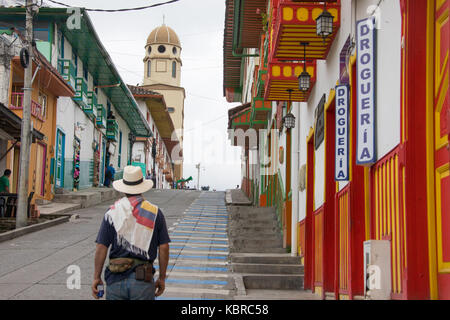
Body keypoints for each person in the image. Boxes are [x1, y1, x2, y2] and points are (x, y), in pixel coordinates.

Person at [92, 165, 170, 300]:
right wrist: (162, 278)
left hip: (115, 280)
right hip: (143, 281)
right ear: (142, 186)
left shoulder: (112, 212)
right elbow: (163, 247)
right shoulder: (155, 213)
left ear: (124, 188)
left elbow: (101, 246)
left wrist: (96, 277)